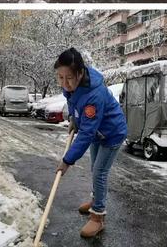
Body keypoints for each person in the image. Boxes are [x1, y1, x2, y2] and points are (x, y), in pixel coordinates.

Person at [55, 47, 127, 238]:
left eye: (68, 77)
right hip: (98, 132)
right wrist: (73, 119)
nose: (64, 83)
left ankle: (98, 216)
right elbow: (73, 103)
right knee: (94, 168)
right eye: (60, 77)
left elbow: (86, 133)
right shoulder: (73, 87)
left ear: (80, 73)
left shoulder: (94, 95)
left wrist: (67, 160)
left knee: (99, 172)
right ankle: (96, 201)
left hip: (111, 134)